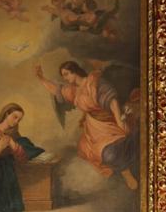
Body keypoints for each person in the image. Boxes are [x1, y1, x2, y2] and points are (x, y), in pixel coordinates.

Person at [35, 60, 138, 189]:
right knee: (90, 150)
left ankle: (126, 173)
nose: (65, 78)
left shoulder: (93, 82)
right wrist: (41, 78)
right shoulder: (74, 91)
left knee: (111, 151)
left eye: (66, 74)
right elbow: (56, 90)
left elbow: (112, 101)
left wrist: (119, 121)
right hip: (94, 127)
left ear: (75, 71)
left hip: (110, 121)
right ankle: (117, 177)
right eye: (63, 76)